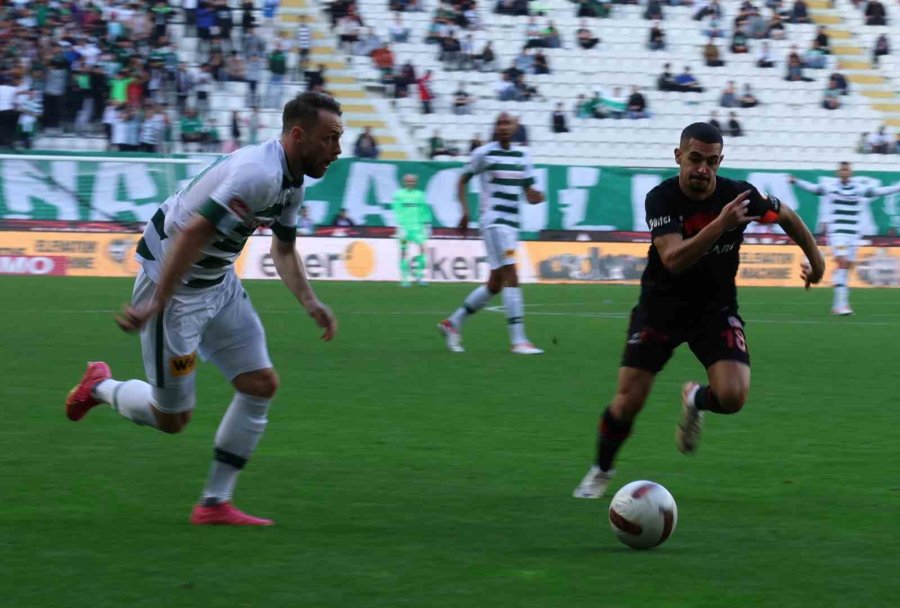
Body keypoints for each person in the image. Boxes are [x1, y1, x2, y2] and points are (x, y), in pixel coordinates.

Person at [64, 91, 342, 526]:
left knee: (260, 384)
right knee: (171, 418)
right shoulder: (259, 174)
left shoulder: (291, 183)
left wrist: (310, 301)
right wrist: (157, 303)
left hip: (218, 284)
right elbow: (192, 233)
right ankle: (99, 385)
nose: (337, 150)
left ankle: (214, 503)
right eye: (330, 138)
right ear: (298, 135)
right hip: (172, 292)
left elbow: (283, 249)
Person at [572, 122, 825, 499]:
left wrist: (817, 263)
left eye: (711, 161)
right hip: (661, 308)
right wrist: (721, 225)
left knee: (733, 396)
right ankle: (601, 469)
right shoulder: (662, 198)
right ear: (679, 157)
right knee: (628, 402)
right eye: (694, 159)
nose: (702, 169)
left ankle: (695, 399)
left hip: (715, 309)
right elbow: (674, 259)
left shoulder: (739, 196)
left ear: (720, 161)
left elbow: (785, 215)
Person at [438, 113, 545, 355]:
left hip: (512, 224)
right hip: (494, 222)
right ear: (495, 128)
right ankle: (518, 341)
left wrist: (537, 196)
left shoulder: (524, 155)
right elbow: (462, 180)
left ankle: (452, 323)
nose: (503, 127)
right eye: (499, 123)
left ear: (515, 127)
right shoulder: (484, 153)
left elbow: (530, 192)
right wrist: (465, 211)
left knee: (495, 283)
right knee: (512, 275)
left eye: (507, 123)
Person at [789, 162, 900, 315]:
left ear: (850, 172)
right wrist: (796, 181)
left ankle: (838, 304)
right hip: (837, 234)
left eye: (847, 169)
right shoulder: (831, 187)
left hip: (853, 235)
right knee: (842, 262)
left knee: (846, 267)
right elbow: (814, 189)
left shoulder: (858, 188)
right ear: (838, 172)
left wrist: (897, 188)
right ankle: (841, 306)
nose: (844, 172)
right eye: (842, 169)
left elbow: (879, 192)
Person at [392, 174, 433, 286]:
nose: (410, 183)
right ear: (404, 182)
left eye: (412, 181)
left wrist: (427, 223)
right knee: (404, 252)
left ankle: (419, 275)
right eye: (408, 181)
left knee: (423, 249)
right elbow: (396, 210)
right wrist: (400, 225)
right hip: (404, 228)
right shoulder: (399, 195)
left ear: (416, 182)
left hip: (418, 228)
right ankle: (404, 278)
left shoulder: (420, 195)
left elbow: (425, 210)